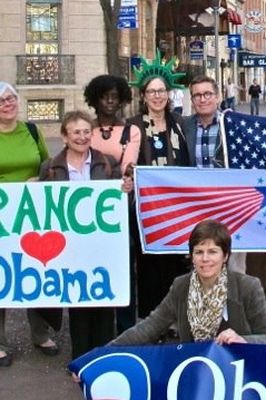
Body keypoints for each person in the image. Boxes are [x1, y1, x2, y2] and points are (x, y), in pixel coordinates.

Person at [39, 110, 133, 360]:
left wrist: (126, 190)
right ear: (65, 137)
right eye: (76, 132)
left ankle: (102, 357)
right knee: (78, 304)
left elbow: (121, 205)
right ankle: (81, 359)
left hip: (103, 246)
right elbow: (42, 208)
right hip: (70, 247)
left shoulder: (107, 163)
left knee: (104, 302)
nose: (82, 137)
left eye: (85, 132)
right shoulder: (49, 169)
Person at [111, 220, 266, 346]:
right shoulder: (181, 286)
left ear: (225, 256)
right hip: (195, 374)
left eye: (213, 252)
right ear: (191, 257)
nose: (205, 259)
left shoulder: (248, 287)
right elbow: (148, 327)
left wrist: (242, 340)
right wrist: (103, 352)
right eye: (199, 252)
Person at [0, 81, 62, 367]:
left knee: (36, 270)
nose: (6, 104)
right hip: (2, 215)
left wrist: (40, 179)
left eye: (10, 98)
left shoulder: (31, 130)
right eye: (1, 101)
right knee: (3, 274)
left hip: (32, 212)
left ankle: (40, 333)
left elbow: (47, 164)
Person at [128, 70, 191, 319]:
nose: (157, 96)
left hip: (177, 206)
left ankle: (175, 318)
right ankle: (149, 318)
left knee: (176, 262)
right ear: (143, 96)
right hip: (146, 207)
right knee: (148, 263)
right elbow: (127, 162)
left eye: (161, 91)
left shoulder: (180, 122)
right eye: (152, 92)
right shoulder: (133, 126)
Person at [84, 74, 141, 334]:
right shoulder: (85, 128)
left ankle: (126, 327)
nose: (110, 101)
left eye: (115, 96)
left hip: (119, 207)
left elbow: (128, 167)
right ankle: (99, 326)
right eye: (104, 95)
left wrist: (102, 164)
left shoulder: (131, 130)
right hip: (86, 208)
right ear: (94, 98)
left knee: (123, 267)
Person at [183, 75, 247, 273]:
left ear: (218, 97)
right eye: (197, 95)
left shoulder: (234, 125)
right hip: (196, 204)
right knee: (202, 260)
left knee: (233, 262)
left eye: (208, 94)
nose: (203, 99)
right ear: (192, 100)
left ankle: (236, 303)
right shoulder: (184, 126)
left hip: (228, 203)